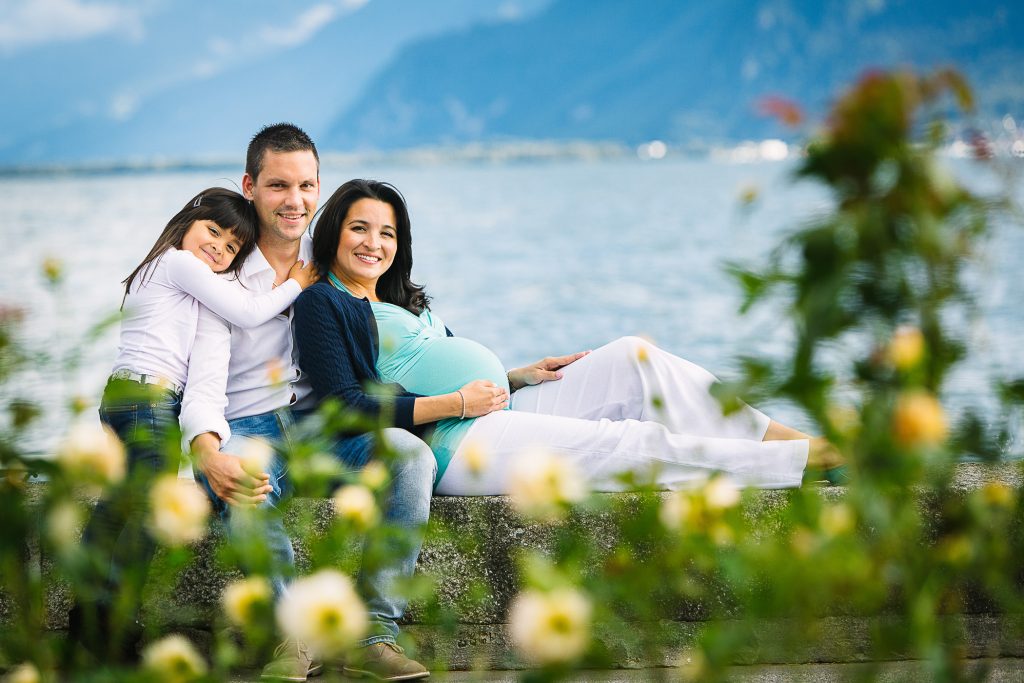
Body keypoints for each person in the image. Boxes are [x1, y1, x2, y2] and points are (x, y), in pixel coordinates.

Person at [293, 179, 847, 503]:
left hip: (487, 408)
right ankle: (804, 466)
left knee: (636, 358)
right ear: (334, 231)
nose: (374, 243)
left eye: (387, 232)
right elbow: (350, 406)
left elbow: (427, 364)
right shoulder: (327, 301)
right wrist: (462, 402)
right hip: (452, 443)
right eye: (360, 228)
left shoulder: (397, 303)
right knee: (624, 443)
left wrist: (514, 376)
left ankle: (789, 438)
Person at [180, 125, 434, 682]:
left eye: (307, 186)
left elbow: (395, 358)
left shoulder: (328, 275)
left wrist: (503, 382)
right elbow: (200, 382)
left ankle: (374, 637)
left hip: (322, 430)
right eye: (278, 186)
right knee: (245, 476)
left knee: (410, 458)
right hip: (247, 429)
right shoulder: (221, 274)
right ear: (250, 187)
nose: (295, 201)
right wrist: (205, 450)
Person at [71, 187, 317, 663]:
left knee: (116, 507)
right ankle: (111, 620)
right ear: (188, 219)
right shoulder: (178, 264)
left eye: (231, 248)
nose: (219, 249)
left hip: (127, 395)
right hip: (148, 399)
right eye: (214, 231)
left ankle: (87, 613)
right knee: (152, 507)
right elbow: (246, 311)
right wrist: (297, 285)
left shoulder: (163, 271)